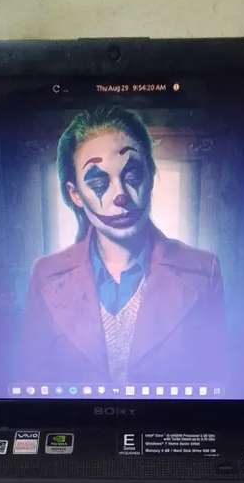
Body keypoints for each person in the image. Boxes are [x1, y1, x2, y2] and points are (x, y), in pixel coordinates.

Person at [20, 105, 227, 387]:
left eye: (132, 175)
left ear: (151, 176)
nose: (120, 195)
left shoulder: (203, 271)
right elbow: (33, 382)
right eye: (98, 181)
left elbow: (214, 381)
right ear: (75, 194)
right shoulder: (45, 274)